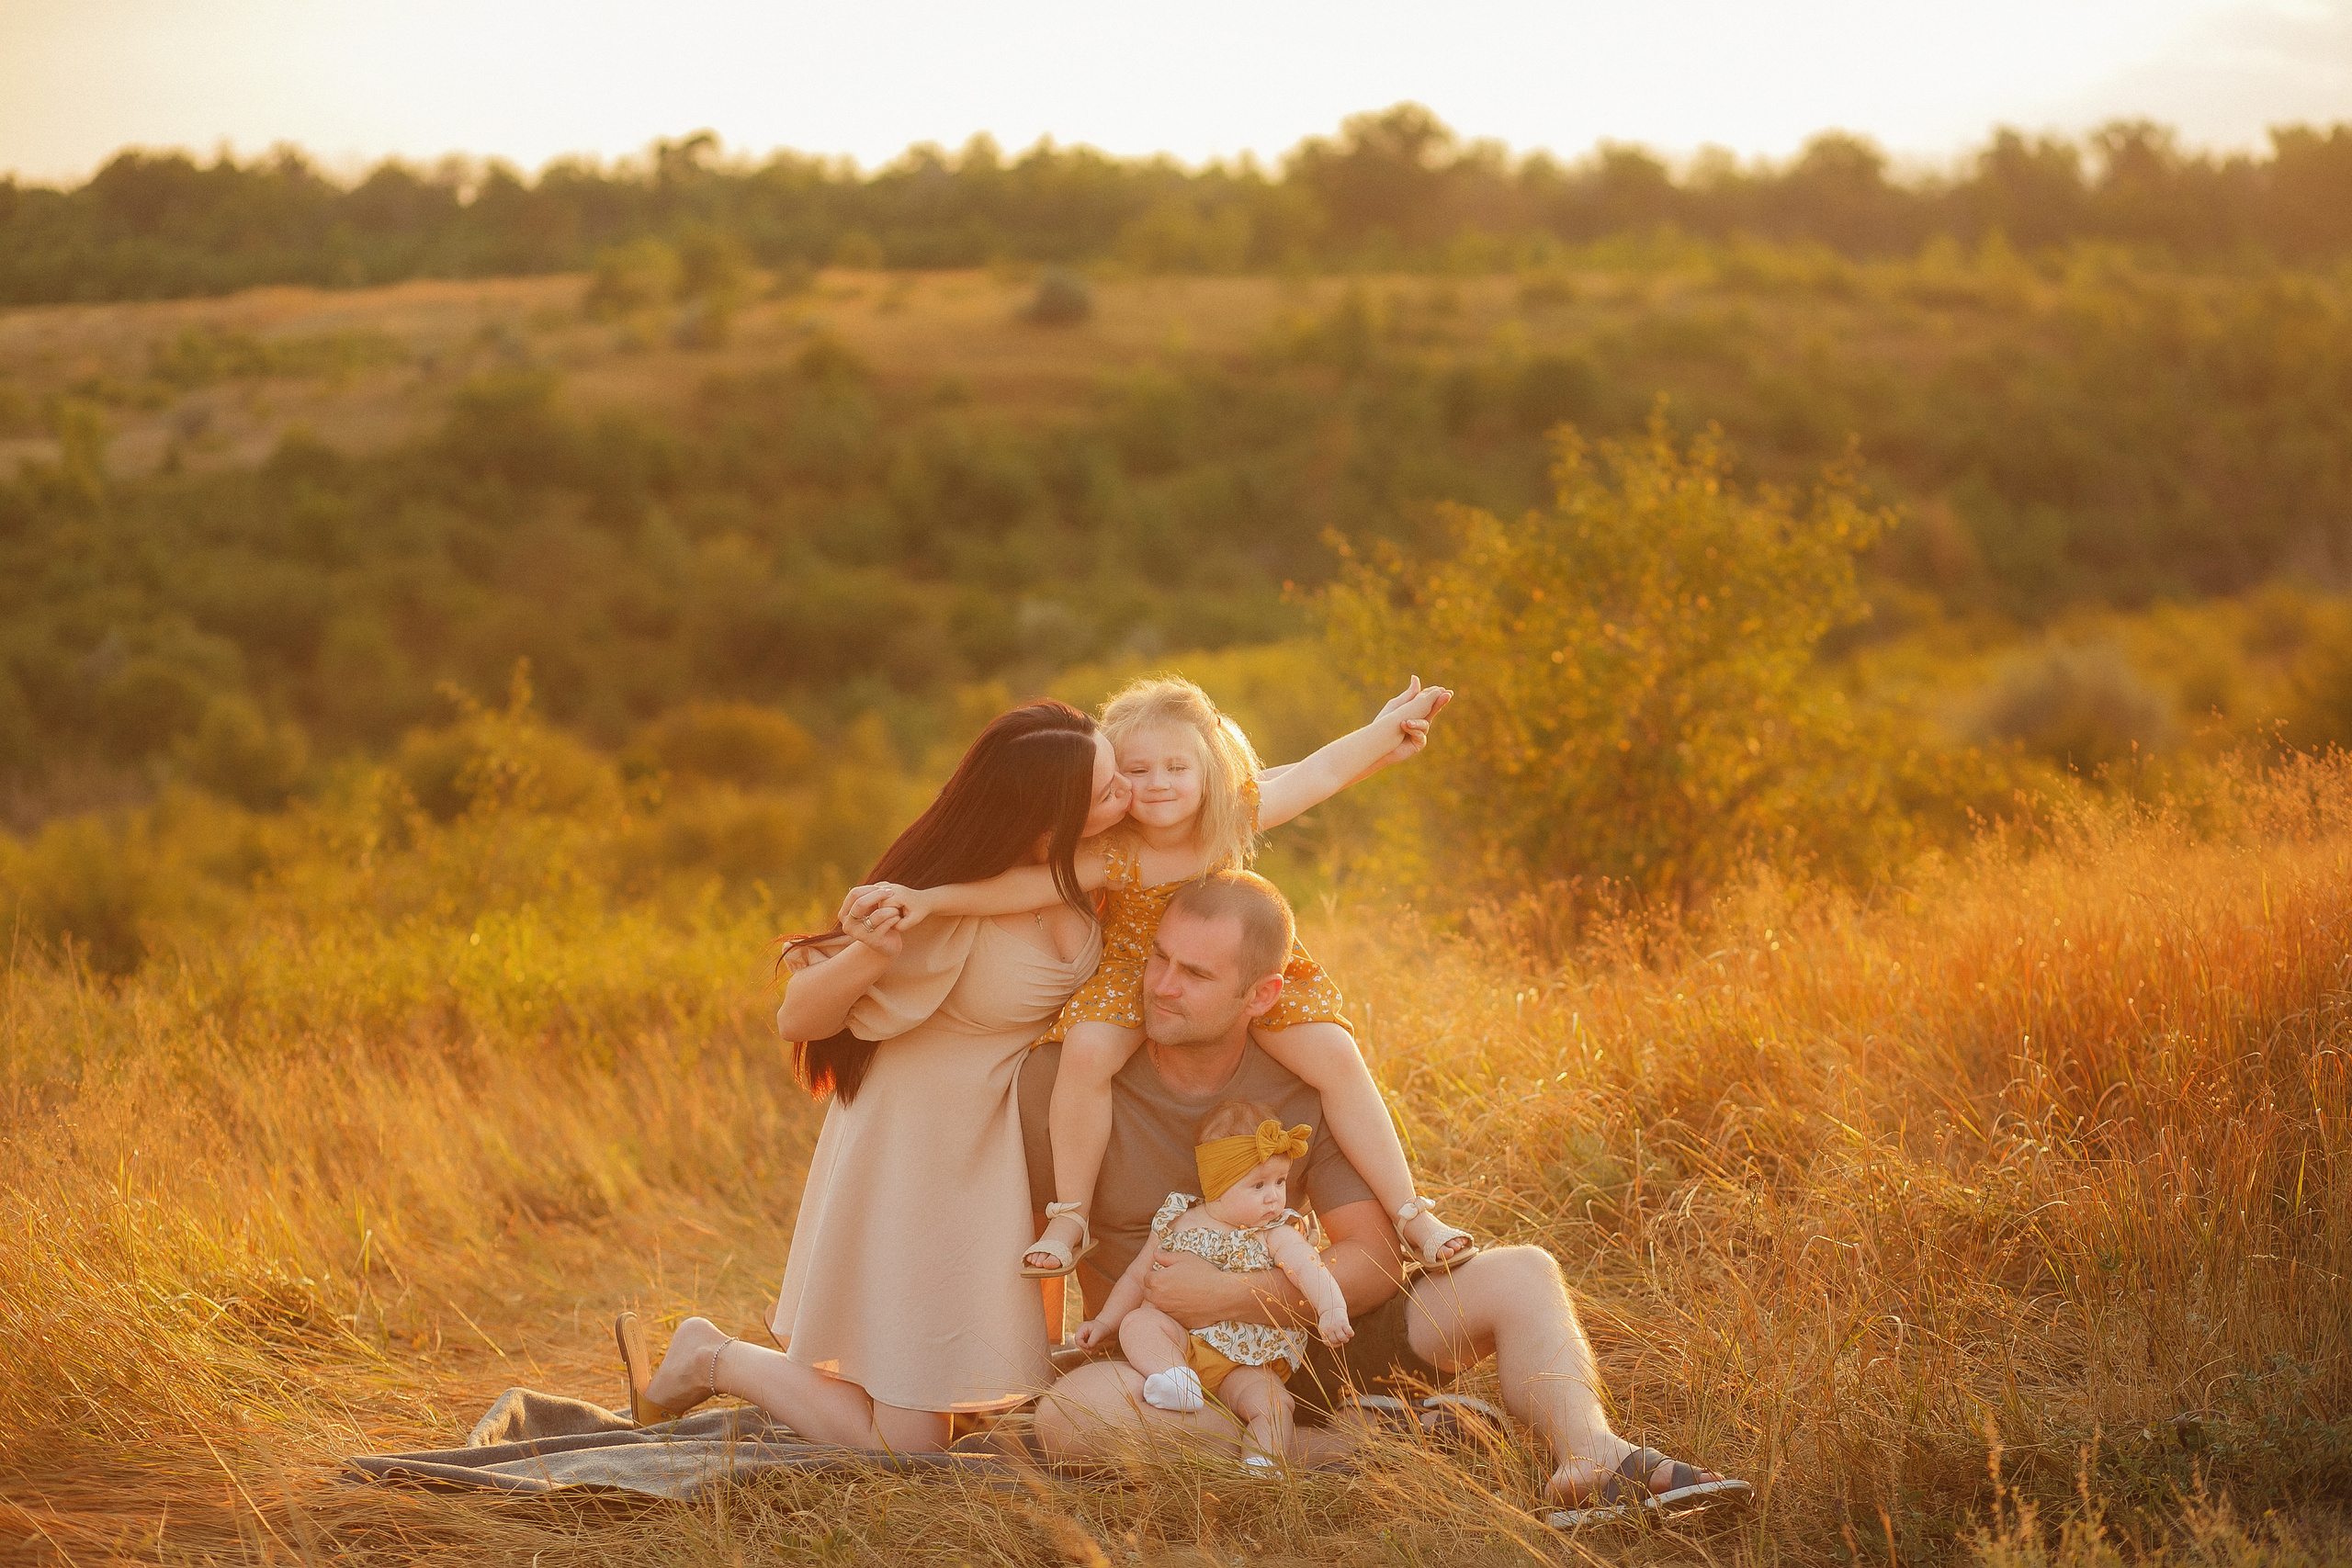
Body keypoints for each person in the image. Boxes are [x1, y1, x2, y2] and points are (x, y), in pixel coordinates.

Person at [1021, 869, 1750, 1516]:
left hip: (1308, 1342)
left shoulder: (1301, 1084)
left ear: (1262, 993)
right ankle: (1360, 1446)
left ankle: (1593, 1454)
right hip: (1165, 1367)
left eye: (1195, 973)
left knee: (1525, 1272)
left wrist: (1233, 1296)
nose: (1160, 984)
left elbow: (1371, 1260)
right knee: (1068, 1417)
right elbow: (1023, 1254)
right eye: (1158, 957)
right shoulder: (1070, 1084)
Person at [612, 698, 1131, 1453]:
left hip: (999, 1147)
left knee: (971, 1399)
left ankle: (793, 1370)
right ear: (1047, 820)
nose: (1129, 794)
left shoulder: (1088, 868)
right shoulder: (950, 901)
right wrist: (871, 956)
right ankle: (709, 1353)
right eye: (1109, 787)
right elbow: (799, 1018)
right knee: (907, 1446)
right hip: (915, 1150)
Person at [866, 674, 1477, 1283]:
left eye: (1176, 767)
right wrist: (932, 899)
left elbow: (1316, 774)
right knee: (1084, 1052)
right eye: (1136, 770)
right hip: (1138, 965)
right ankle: (1070, 1216)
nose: (1157, 784)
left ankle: (1412, 1214)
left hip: (1240, 963)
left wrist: (1382, 731)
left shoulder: (1233, 813)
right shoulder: (1114, 849)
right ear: (1111, 778)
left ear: (1207, 769)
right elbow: (1030, 884)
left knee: (1337, 1053)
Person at [1078, 1100, 1351, 1472]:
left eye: (1280, 1181)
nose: (1274, 1196)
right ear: (1217, 1184)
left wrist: (1331, 1310)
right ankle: (1175, 1381)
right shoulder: (1178, 1221)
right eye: (1258, 1185)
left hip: (1247, 1359)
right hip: (1182, 1344)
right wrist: (1106, 1322)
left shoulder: (1274, 1232)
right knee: (1138, 1325)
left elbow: (1309, 1268)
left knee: (1272, 1405)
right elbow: (1135, 1277)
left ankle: (1262, 1468)